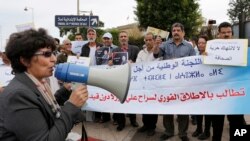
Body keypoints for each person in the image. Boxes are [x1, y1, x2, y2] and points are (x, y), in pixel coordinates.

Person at [0, 28, 88, 141]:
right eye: (47, 54)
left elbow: (42, 108)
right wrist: (71, 106)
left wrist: (64, 91)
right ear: (25, 60)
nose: (54, 59)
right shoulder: (18, 95)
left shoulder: (35, 83)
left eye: (53, 54)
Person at [153, 23, 195, 141]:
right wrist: (156, 45)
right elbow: (156, 54)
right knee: (168, 109)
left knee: (183, 110)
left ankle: (183, 133)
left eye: (178, 30)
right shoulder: (165, 45)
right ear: (171, 32)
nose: (176, 32)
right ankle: (168, 131)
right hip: (168, 83)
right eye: (174, 30)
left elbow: (194, 64)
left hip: (183, 83)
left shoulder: (189, 47)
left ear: (183, 32)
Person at [208, 22, 246, 141]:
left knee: (237, 123)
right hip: (218, 94)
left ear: (232, 34)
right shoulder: (211, 49)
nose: (226, 35)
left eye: (228, 32)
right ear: (218, 34)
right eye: (223, 32)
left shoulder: (242, 49)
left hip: (236, 95)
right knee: (217, 124)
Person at [109, 31, 140, 131]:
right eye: (121, 36)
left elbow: (140, 63)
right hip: (118, 80)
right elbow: (110, 63)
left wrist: (133, 63)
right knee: (119, 101)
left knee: (131, 100)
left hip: (132, 79)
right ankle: (121, 123)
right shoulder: (114, 51)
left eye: (125, 36)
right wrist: (110, 62)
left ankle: (133, 120)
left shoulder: (135, 49)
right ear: (119, 39)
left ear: (127, 38)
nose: (123, 38)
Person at [136, 32, 159, 136]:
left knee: (153, 106)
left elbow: (158, 66)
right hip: (143, 84)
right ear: (144, 41)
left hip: (154, 83)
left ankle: (152, 127)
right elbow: (137, 65)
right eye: (146, 40)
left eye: (150, 40)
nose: (148, 42)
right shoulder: (141, 53)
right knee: (144, 104)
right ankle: (145, 125)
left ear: (154, 40)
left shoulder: (158, 52)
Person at [192, 35, 212, 140]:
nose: (201, 45)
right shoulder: (195, 55)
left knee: (207, 111)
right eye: (199, 43)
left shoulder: (212, 55)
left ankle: (207, 131)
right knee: (198, 110)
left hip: (208, 88)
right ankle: (199, 129)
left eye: (203, 43)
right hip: (197, 88)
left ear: (207, 44)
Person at [80, 28, 102, 122]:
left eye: (93, 34)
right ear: (87, 36)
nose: (91, 35)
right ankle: (88, 115)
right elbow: (81, 59)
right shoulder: (84, 47)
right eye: (89, 34)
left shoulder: (101, 46)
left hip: (99, 73)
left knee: (99, 94)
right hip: (87, 74)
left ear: (96, 36)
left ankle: (98, 115)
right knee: (88, 94)